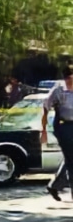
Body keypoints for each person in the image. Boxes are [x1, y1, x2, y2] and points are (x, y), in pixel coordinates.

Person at [41, 64, 73, 201]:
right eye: (70, 78)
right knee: (71, 161)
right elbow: (46, 107)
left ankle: (54, 185)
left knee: (70, 159)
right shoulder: (58, 90)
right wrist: (43, 130)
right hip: (64, 126)